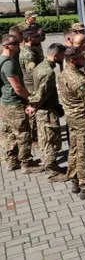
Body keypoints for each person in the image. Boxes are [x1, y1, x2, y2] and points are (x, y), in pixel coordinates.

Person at [59, 47, 85, 199]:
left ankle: (75, 180)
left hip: (72, 118)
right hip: (83, 119)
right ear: (72, 61)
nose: (84, 60)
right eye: (80, 59)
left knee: (75, 150)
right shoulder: (79, 80)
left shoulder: (65, 73)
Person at [0, 34, 43, 173]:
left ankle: (12, 161)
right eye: (15, 43)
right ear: (7, 46)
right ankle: (27, 164)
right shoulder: (8, 64)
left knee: (9, 134)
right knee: (23, 133)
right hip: (15, 104)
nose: (18, 45)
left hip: (5, 103)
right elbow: (17, 88)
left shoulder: (3, 60)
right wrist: (31, 98)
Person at [27, 43, 68, 182]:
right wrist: (33, 106)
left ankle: (53, 166)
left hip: (44, 110)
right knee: (50, 142)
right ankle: (52, 172)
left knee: (46, 140)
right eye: (62, 55)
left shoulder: (41, 66)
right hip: (46, 112)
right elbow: (41, 94)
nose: (63, 58)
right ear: (56, 55)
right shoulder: (48, 72)